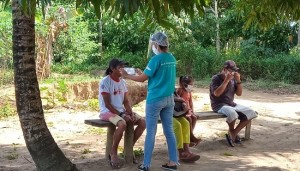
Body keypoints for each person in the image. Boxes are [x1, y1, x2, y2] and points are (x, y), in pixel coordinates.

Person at [122, 31, 178, 171]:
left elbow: (142, 79)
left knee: (151, 131)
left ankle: (146, 164)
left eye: (153, 44)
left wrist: (127, 75)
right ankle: (173, 162)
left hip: (155, 99)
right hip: (169, 99)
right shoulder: (171, 58)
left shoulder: (155, 60)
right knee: (169, 131)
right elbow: (157, 76)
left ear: (156, 44)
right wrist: (144, 74)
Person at [99, 58, 146, 169]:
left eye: (123, 67)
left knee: (143, 122)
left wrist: (130, 112)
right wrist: (122, 115)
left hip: (120, 111)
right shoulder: (105, 81)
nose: (122, 70)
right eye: (120, 67)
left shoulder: (123, 82)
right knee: (122, 124)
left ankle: (128, 148)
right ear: (112, 69)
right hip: (107, 112)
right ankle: (113, 151)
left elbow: (125, 101)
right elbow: (107, 104)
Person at [209, 60, 257, 147]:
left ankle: (234, 132)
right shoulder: (216, 78)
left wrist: (238, 81)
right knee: (233, 113)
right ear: (224, 69)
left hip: (231, 104)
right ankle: (232, 132)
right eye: (231, 70)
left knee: (251, 112)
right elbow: (216, 93)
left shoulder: (233, 79)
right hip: (219, 105)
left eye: (234, 70)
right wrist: (226, 80)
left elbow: (239, 94)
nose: (233, 72)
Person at [173, 95, 200, 163]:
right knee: (177, 125)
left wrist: (183, 103)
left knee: (186, 123)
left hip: (175, 114)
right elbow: (163, 98)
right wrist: (179, 99)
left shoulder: (172, 89)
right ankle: (181, 152)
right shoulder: (160, 87)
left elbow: (180, 98)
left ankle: (187, 150)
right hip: (164, 113)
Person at [176, 76, 201, 147]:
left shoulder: (189, 92)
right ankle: (189, 138)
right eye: (191, 84)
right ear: (185, 84)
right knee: (189, 119)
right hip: (181, 111)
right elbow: (177, 100)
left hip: (188, 110)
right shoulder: (180, 90)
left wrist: (193, 112)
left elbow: (190, 103)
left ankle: (190, 136)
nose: (192, 86)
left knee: (194, 117)